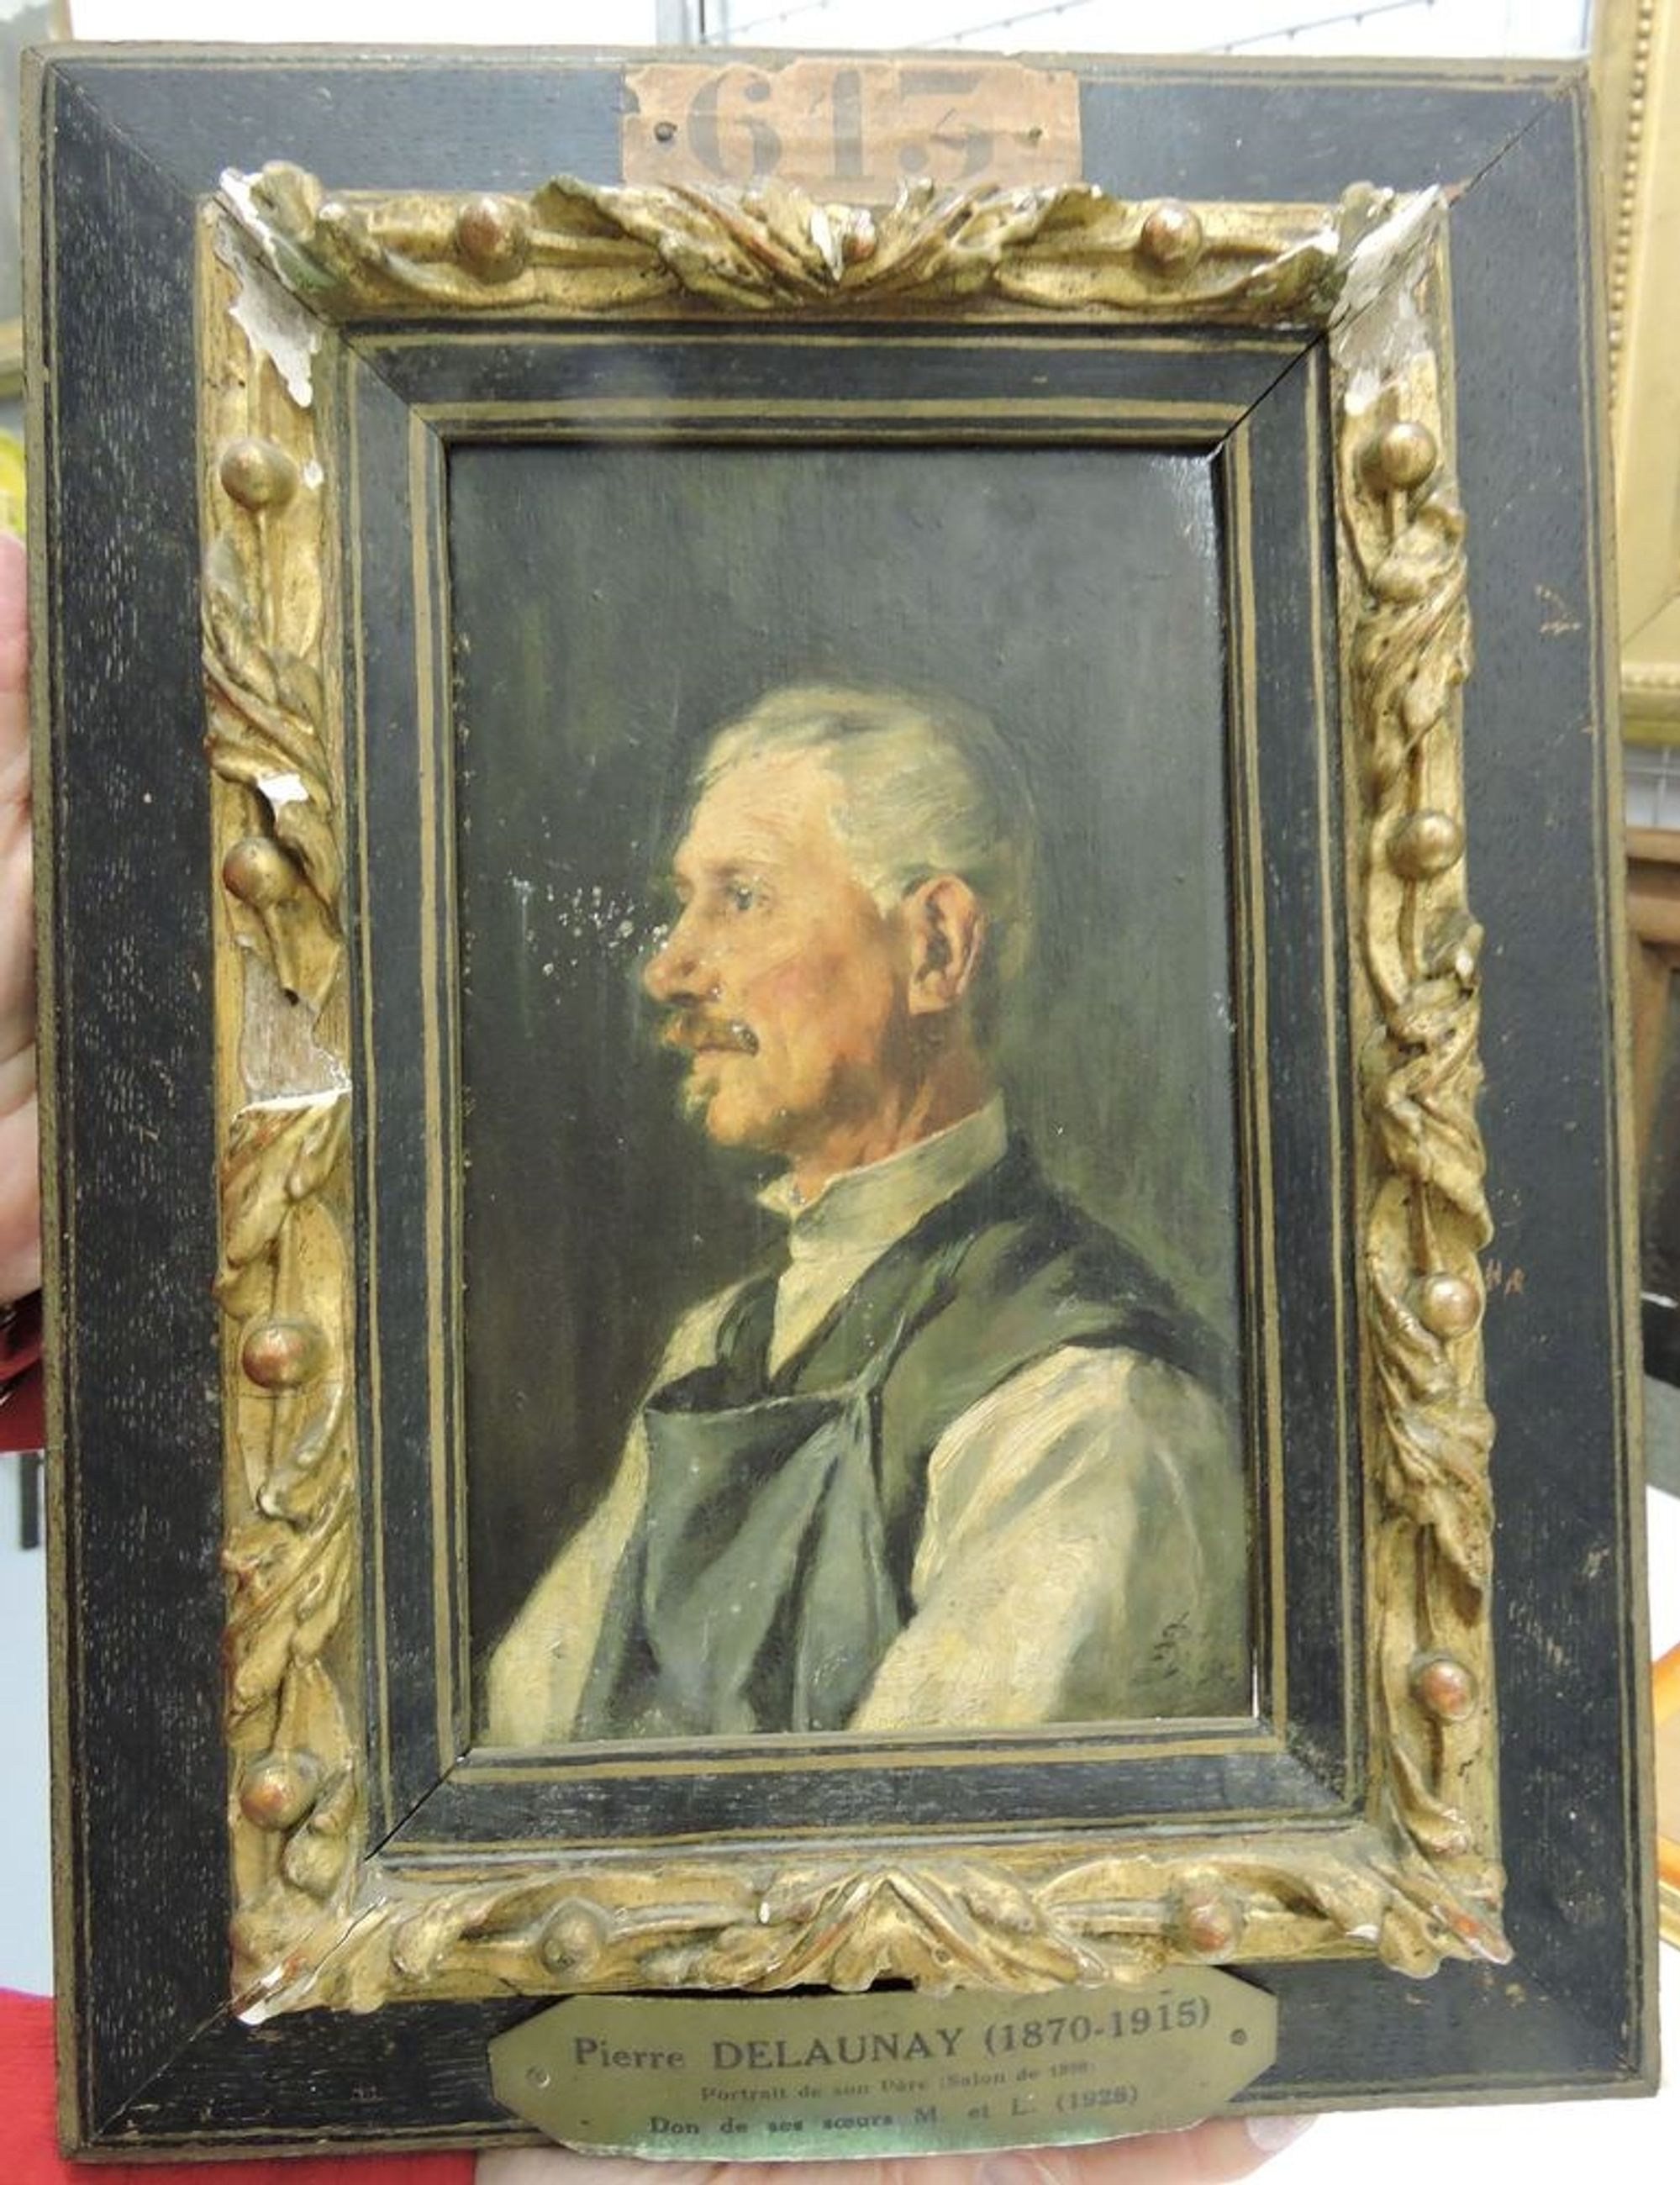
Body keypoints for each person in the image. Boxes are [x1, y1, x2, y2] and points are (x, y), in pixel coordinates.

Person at [487, 684, 1248, 1745]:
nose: (668, 968)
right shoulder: (714, 1347)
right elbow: (528, 1739)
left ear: (935, 946)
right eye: (685, 901)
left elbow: (920, 1827)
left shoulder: (1090, 1405)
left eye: (742, 898)